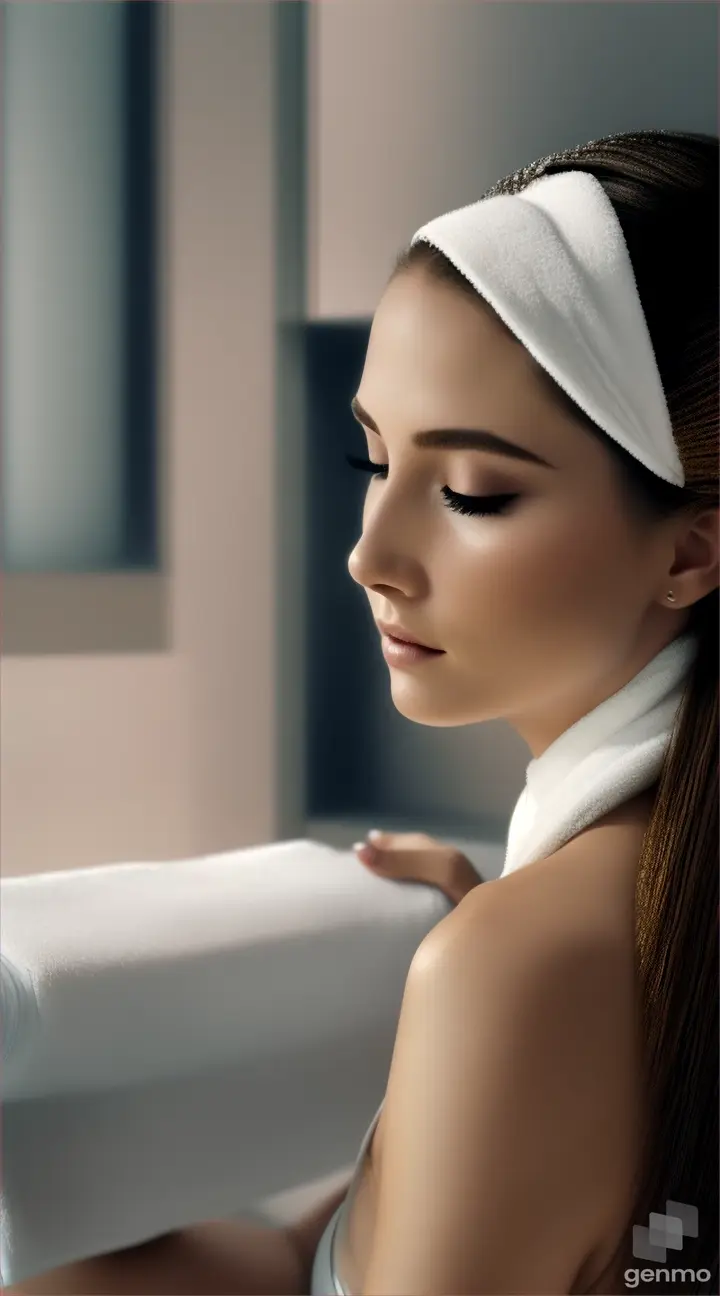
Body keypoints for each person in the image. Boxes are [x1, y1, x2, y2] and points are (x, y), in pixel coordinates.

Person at [11, 128, 718, 1296]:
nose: (368, 555)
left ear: (691, 548)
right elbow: (304, 1265)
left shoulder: (520, 972)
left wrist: (494, 970)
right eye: (373, 463)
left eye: (473, 492)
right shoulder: (589, 929)